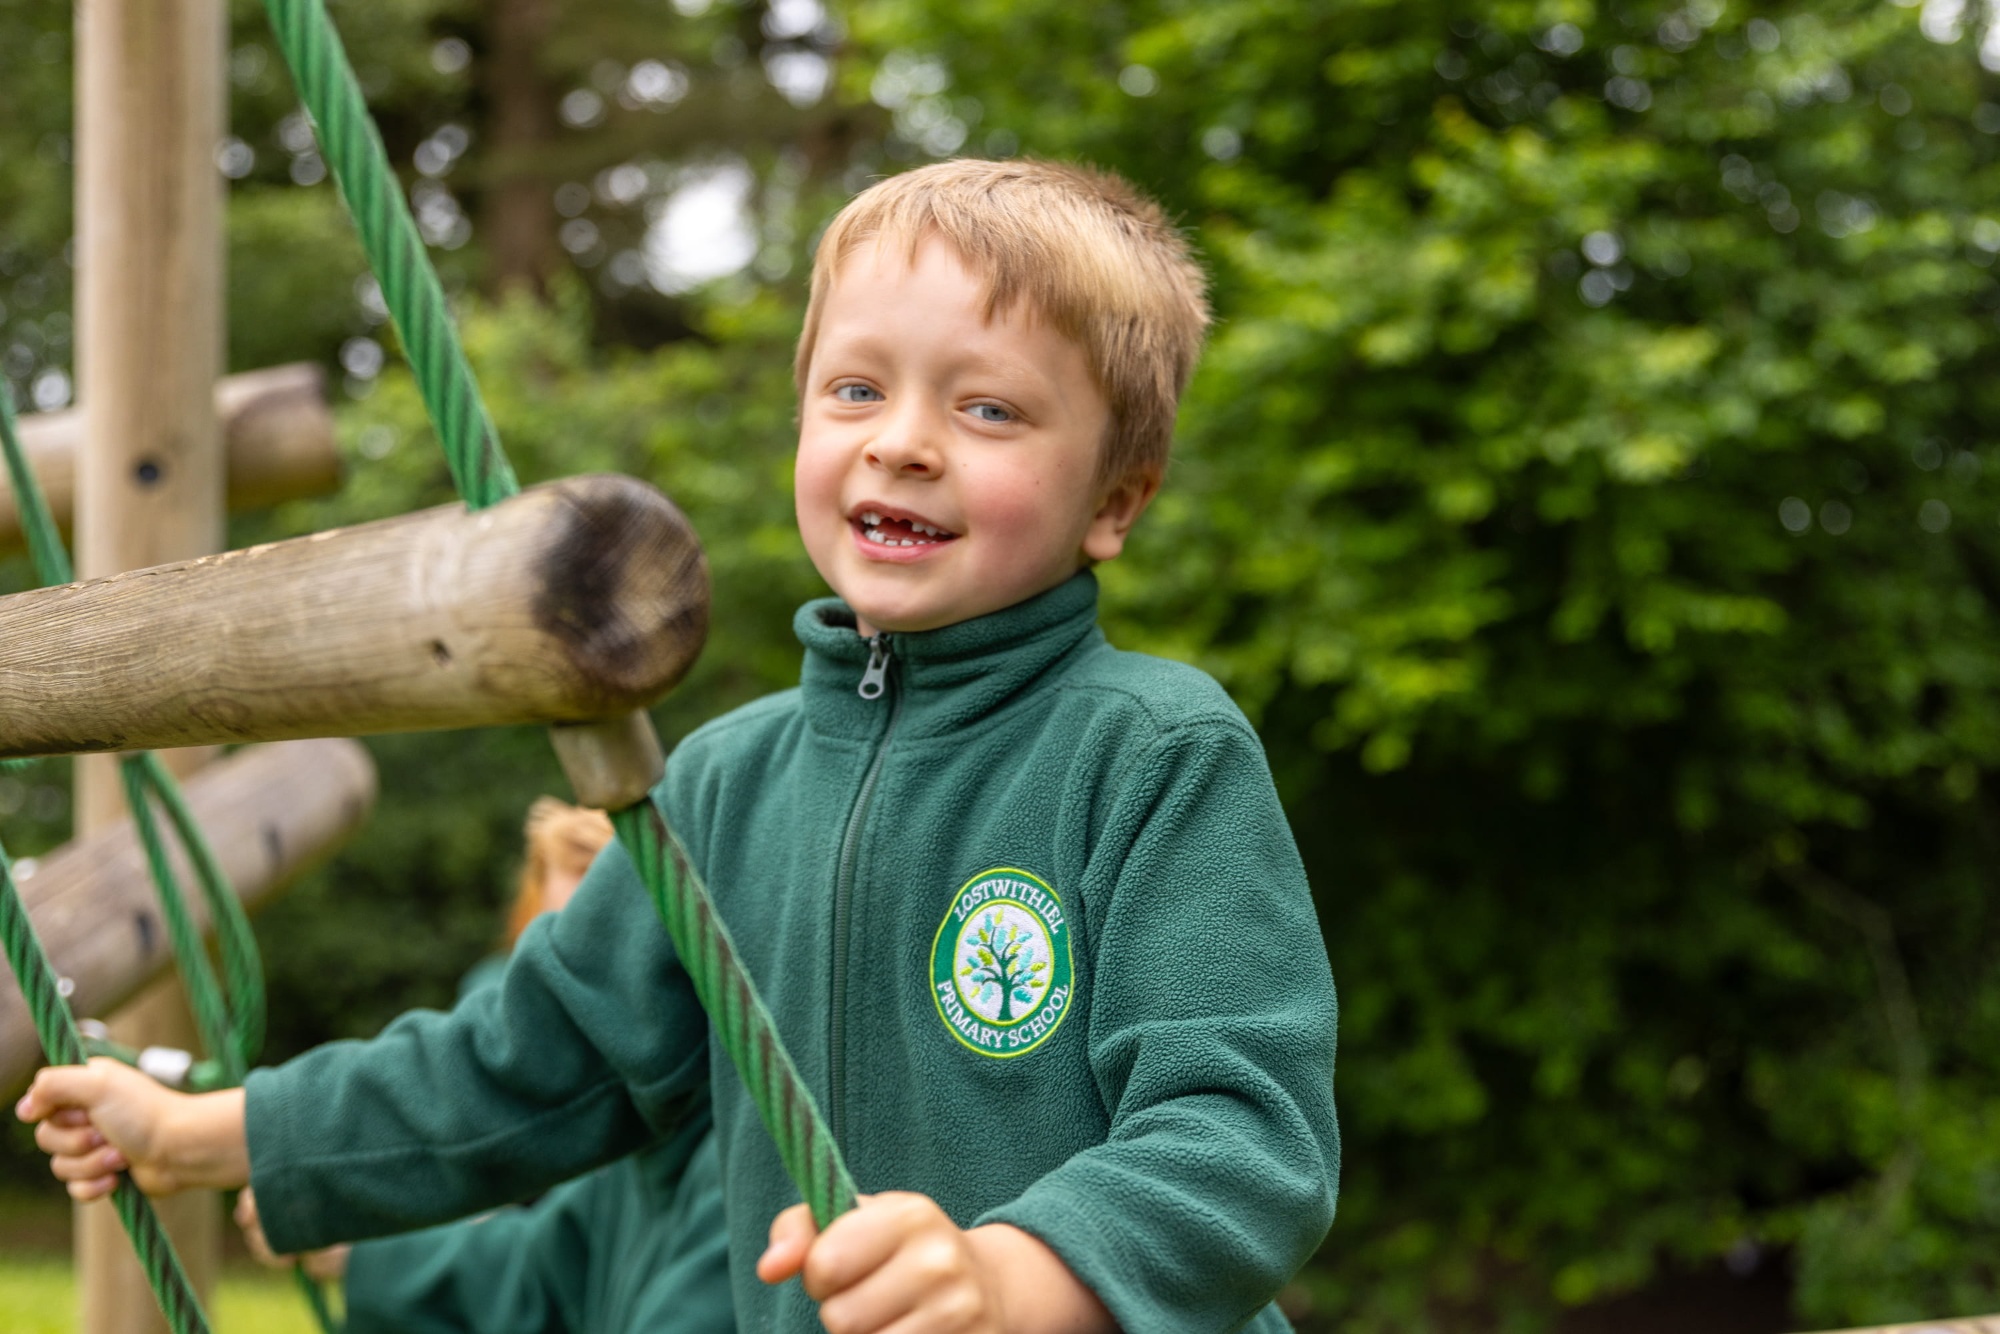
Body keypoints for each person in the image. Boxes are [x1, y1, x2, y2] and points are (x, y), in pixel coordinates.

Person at [20, 157, 1342, 1332]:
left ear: (1116, 497)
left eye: (988, 409)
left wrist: (1015, 1276)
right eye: (856, 388)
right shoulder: (719, 783)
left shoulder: (1150, 752)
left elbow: (1241, 1133)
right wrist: (213, 1132)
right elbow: (526, 1061)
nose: (904, 441)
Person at [239, 798, 735, 1334]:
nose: (582, 991)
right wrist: (359, 1240)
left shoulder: (734, 1154)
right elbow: (538, 1279)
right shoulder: (627, 1161)